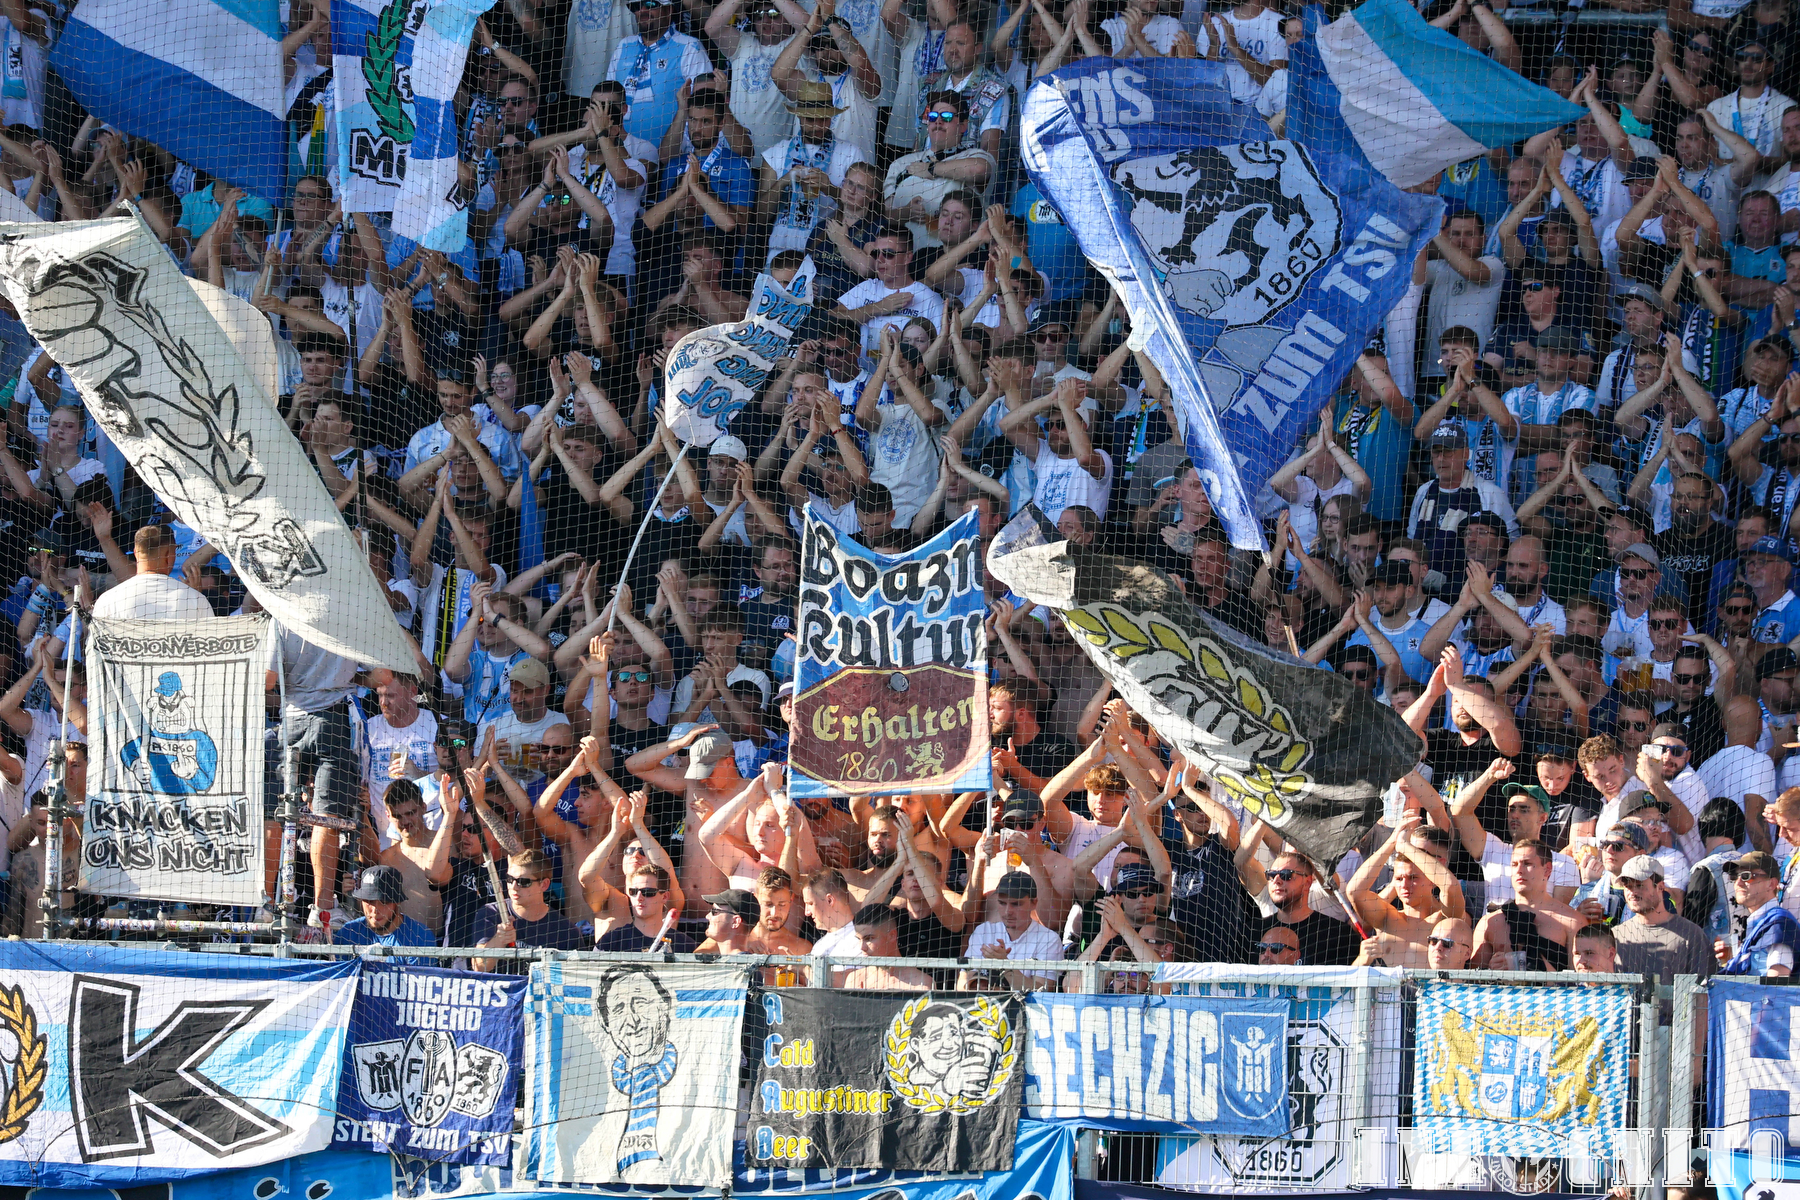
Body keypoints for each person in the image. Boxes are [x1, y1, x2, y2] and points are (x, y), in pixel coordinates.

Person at [1471, 840, 1584, 970]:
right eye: (1514, 864)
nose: (1519, 870)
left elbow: (1579, 981)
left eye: (1527, 864)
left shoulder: (1572, 921)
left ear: (1547, 869)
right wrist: (1491, 973)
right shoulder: (1489, 923)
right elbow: (1472, 981)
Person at [472, 849, 590, 971]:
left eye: (523, 882)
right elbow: (479, 966)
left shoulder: (566, 931)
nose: (513, 887)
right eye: (509, 879)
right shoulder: (491, 913)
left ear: (544, 884)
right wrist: (499, 939)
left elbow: (578, 978)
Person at [1612, 854, 1715, 986]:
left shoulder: (1691, 935)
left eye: (1639, 885)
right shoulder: (1616, 935)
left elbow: (1704, 994)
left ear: (1660, 887)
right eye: (1628, 886)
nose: (1632, 892)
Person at [1248, 851, 1358, 966]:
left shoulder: (1337, 934)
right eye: (1271, 875)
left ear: (1307, 882)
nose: (1276, 881)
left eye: (1286, 875)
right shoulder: (1253, 932)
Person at [961, 871, 1065, 989]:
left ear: (1033, 903)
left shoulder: (1049, 939)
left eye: (1016, 904)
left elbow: (1042, 991)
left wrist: (1004, 965)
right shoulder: (983, 931)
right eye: (1002, 903)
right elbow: (962, 984)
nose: (1007, 911)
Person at [91, 524, 213, 620]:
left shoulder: (108, 599)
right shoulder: (194, 598)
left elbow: (95, 648)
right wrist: (193, 597)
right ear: (169, 555)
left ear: (135, 552)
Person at [334, 865, 438, 966]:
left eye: (384, 902)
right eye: (369, 901)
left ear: (397, 902)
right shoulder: (348, 933)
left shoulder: (420, 937)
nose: (375, 910)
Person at [1717, 850, 1799, 974]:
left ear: (1771, 884)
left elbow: (1777, 982)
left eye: (1746, 876)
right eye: (1735, 876)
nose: (1738, 883)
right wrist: (1732, 958)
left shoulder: (1779, 923)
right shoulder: (1762, 922)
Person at [594, 862, 699, 951]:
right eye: (633, 891)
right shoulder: (611, 941)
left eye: (647, 892)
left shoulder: (684, 944)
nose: (639, 897)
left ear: (665, 896)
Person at [842, 903, 935, 990]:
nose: (862, 947)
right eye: (859, 939)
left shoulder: (921, 983)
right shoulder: (855, 980)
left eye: (869, 938)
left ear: (892, 936)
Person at [696, 887, 759, 953]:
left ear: (735, 922)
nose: (707, 916)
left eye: (714, 911)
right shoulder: (746, 961)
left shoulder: (746, 963)